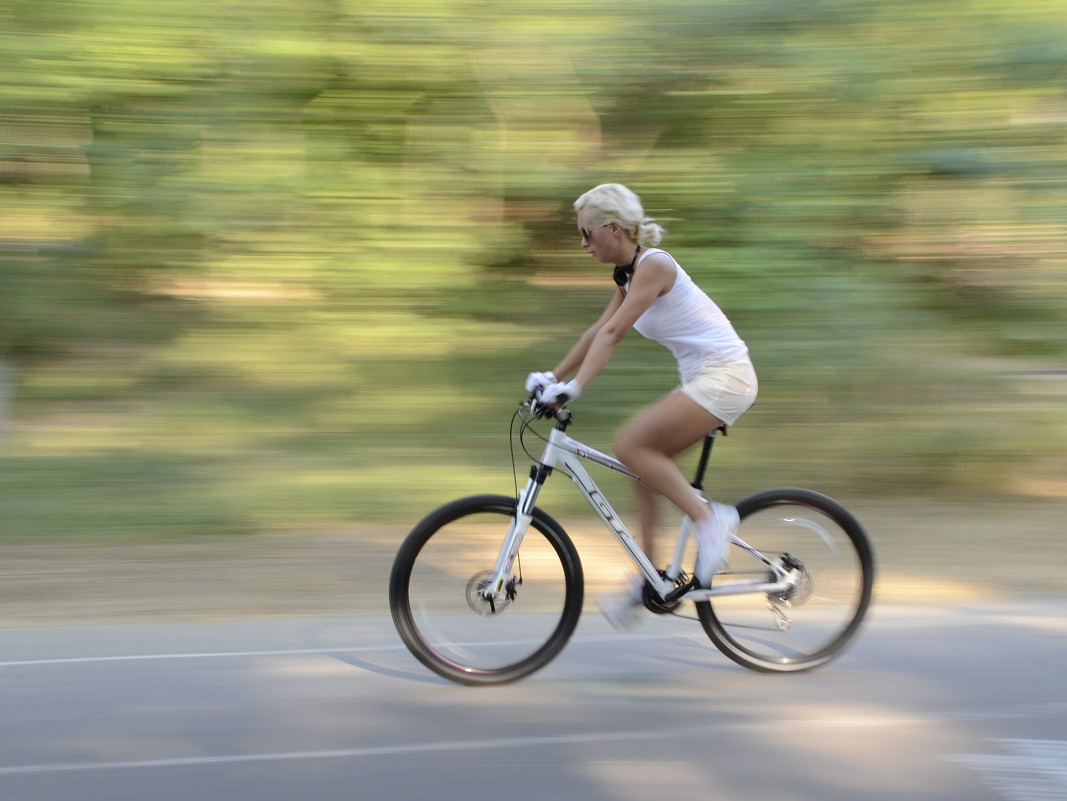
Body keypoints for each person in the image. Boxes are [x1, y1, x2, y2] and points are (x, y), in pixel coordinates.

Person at [525, 183, 758, 627]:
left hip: (727, 378)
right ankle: (652, 577)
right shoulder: (628, 274)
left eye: (587, 233)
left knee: (631, 444)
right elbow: (599, 330)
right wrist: (553, 376)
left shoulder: (655, 265)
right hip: (706, 380)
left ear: (614, 229)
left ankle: (711, 521)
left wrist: (575, 388)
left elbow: (615, 336)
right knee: (641, 468)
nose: (583, 244)